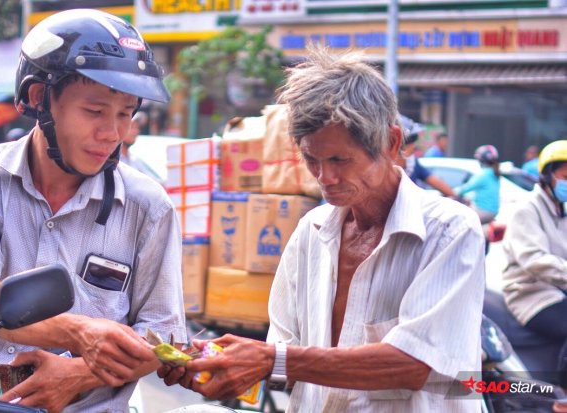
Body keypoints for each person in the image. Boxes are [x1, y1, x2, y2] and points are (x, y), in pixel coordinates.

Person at [159, 46, 486, 412]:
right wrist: (220, 364)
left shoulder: (449, 230)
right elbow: (288, 355)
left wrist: (271, 360)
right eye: (311, 159)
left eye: (339, 160)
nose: (324, 178)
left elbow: (416, 364)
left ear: (392, 143)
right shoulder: (310, 232)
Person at [0, 9, 186, 413]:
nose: (112, 133)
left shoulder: (148, 206)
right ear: (40, 98)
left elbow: (164, 336)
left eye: (126, 114)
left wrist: (81, 373)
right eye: (94, 111)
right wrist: (80, 333)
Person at [502, 140, 567, 386]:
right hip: (530, 294)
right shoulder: (526, 209)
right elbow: (534, 260)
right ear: (548, 176)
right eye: (565, 176)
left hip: (556, 291)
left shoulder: (562, 209)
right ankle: (563, 395)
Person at [398, 115, 455, 197]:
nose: (414, 146)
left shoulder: (412, 163)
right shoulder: (381, 170)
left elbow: (435, 182)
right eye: (412, 139)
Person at [456, 145, 501, 225]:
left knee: (459, 221)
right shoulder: (493, 173)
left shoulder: (484, 175)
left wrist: (449, 191)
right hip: (492, 211)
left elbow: (465, 188)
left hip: (484, 211)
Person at [121, 112, 163, 182]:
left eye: (137, 127)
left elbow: (153, 182)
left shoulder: (134, 160)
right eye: (131, 127)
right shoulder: (111, 161)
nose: (136, 131)